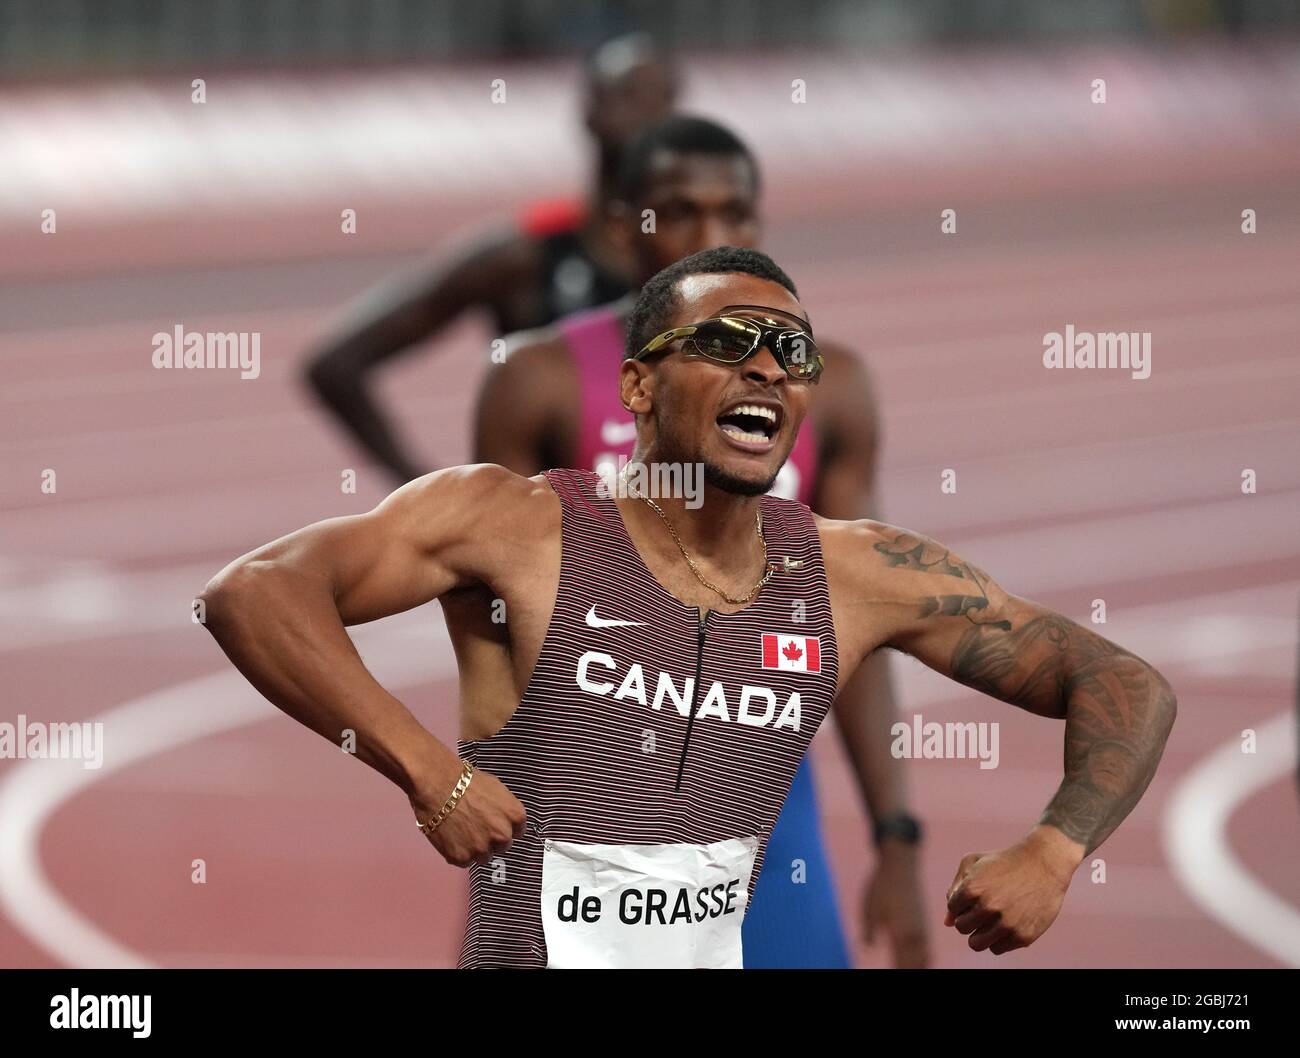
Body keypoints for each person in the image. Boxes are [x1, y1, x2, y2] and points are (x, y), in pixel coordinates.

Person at [198, 246, 1177, 969]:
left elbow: (1122, 681)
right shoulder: (515, 526)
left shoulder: (853, 573)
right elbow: (255, 591)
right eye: (724, 342)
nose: (766, 367)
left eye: (790, 351)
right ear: (638, 384)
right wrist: (431, 773)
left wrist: (1054, 849)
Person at [475, 115, 926, 968]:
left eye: (735, 213)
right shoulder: (539, 382)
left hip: (765, 799)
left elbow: (856, 622)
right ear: (623, 226)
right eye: (681, 211)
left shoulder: (825, 387)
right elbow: (489, 625)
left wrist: (895, 835)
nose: (713, 236)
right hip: (588, 812)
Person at [305, 32, 677, 482]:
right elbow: (335, 366)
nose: (647, 113)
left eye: (663, 98)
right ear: (588, 111)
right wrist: (420, 489)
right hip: (544, 519)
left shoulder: (697, 269)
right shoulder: (523, 257)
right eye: (629, 94)